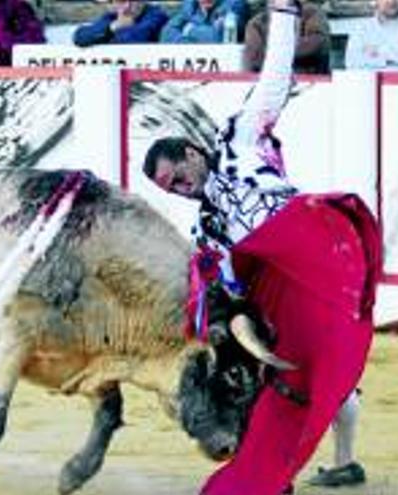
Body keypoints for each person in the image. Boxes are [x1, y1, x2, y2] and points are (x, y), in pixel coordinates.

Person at [142, 1, 381, 493]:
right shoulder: (207, 228)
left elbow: (275, 78)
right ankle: (336, 463)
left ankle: (339, 460)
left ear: (191, 152)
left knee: (324, 365)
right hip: (284, 287)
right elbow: (225, 284)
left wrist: (283, 13)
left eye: (178, 176)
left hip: (317, 255)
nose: (180, 188)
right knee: (306, 374)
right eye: (170, 189)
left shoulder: (239, 141)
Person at [243, 0, 331, 74]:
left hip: (310, 80)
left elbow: (318, 43)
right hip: (268, 81)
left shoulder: (311, 13)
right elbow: (253, 58)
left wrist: (278, 51)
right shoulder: (256, 24)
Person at [345, 0, 398, 71]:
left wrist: (377, 52)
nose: (391, 1)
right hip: (371, 88)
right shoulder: (361, 29)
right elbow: (352, 64)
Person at [73, 0, 169, 47]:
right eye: (121, 1)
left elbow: (134, 39)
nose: (127, 7)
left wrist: (106, 37)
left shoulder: (156, 16)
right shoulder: (112, 17)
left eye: (132, 1)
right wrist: (111, 28)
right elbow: (80, 36)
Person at [159, 0, 248, 44]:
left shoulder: (235, 4)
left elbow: (218, 38)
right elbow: (166, 33)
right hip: (194, 63)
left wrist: (189, 30)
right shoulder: (190, 5)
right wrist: (188, 42)